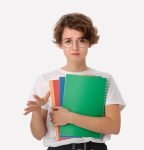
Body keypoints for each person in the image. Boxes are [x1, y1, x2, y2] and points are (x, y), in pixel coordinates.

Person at [24, 13, 125, 150]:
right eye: (68, 41)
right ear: (60, 44)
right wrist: (36, 111)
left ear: (89, 42)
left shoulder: (105, 79)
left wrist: (69, 117)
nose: (75, 47)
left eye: (81, 40)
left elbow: (113, 127)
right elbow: (38, 134)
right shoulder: (45, 79)